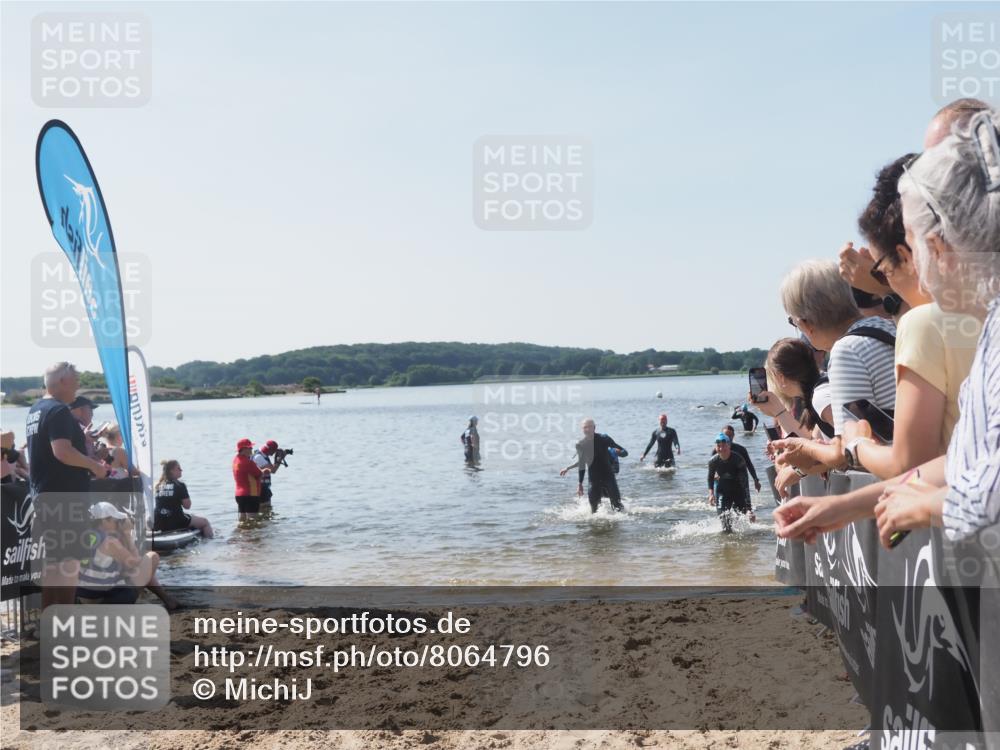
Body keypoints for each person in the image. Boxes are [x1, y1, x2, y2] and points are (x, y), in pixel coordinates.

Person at [26, 362, 109, 609]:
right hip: (64, 497)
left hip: (46, 496)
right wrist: (94, 466)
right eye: (75, 379)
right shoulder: (58, 411)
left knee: (54, 564)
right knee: (69, 564)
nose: (78, 385)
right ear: (62, 381)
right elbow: (62, 452)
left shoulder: (35, 409)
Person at [77, 501, 177, 608]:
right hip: (101, 600)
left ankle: (168, 599)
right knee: (152, 558)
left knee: (129, 571)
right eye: (116, 520)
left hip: (83, 595)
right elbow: (135, 562)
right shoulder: (109, 542)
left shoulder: (85, 535)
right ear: (105, 521)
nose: (118, 523)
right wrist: (128, 534)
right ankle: (167, 600)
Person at [559, 418, 628, 513]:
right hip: (593, 480)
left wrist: (620, 453)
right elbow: (582, 464)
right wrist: (580, 483)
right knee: (594, 511)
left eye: (589, 427)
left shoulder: (604, 438)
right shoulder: (581, 444)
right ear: (582, 429)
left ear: (594, 428)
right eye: (585, 427)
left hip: (608, 477)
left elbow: (624, 452)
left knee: (618, 507)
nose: (587, 429)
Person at [154, 459, 214, 538]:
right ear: (172, 471)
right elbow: (187, 506)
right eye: (179, 468)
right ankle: (211, 543)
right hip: (176, 521)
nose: (181, 470)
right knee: (205, 522)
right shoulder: (179, 485)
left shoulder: (158, 485)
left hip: (159, 522)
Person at [707, 433, 754, 532]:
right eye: (718, 446)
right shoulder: (713, 461)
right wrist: (711, 494)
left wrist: (749, 508)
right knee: (724, 522)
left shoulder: (738, 459)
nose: (721, 449)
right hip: (722, 491)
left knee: (741, 518)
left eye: (723, 446)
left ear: (729, 445)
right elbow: (710, 477)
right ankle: (726, 544)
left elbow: (745, 484)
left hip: (738, 491)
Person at [713, 425, 761, 494]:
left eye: (730, 436)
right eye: (726, 436)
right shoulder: (716, 451)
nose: (728, 438)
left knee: (744, 504)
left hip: (740, 481)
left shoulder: (741, 449)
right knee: (722, 502)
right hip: (722, 480)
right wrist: (715, 475)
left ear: (733, 436)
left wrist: (756, 480)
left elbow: (749, 465)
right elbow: (712, 468)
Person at [232, 438, 264, 521]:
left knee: (242, 520)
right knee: (253, 521)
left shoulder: (235, 460)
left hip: (239, 495)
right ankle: (250, 534)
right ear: (243, 449)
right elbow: (259, 474)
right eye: (250, 448)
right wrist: (264, 470)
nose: (251, 449)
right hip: (251, 494)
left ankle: (241, 533)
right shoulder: (248, 462)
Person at [252, 440, 285, 508]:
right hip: (260, 488)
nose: (274, 453)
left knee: (267, 511)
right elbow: (273, 470)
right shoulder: (259, 457)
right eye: (274, 451)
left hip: (263, 487)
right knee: (265, 508)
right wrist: (280, 458)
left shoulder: (261, 452)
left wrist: (279, 457)